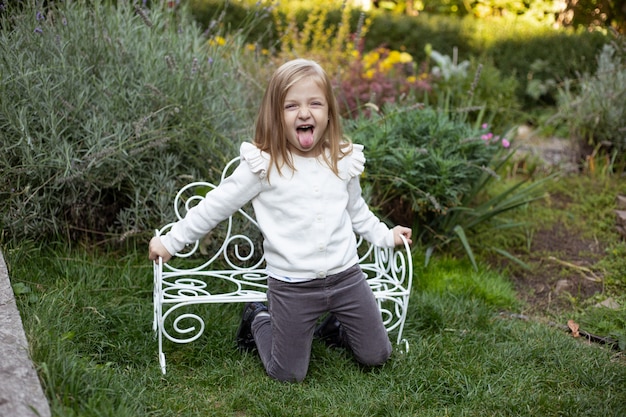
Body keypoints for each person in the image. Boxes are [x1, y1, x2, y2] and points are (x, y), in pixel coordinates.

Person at [149, 58, 412, 382]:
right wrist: (171, 241)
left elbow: (357, 211)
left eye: (315, 103)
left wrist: (387, 236)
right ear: (276, 114)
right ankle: (257, 317)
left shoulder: (341, 159)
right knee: (287, 373)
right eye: (291, 106)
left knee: (377, 355)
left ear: (328, 112)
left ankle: (337, 325)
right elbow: (216, 205)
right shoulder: (264, 165)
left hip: (347, 279)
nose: (304, 113)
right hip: (292, 287)